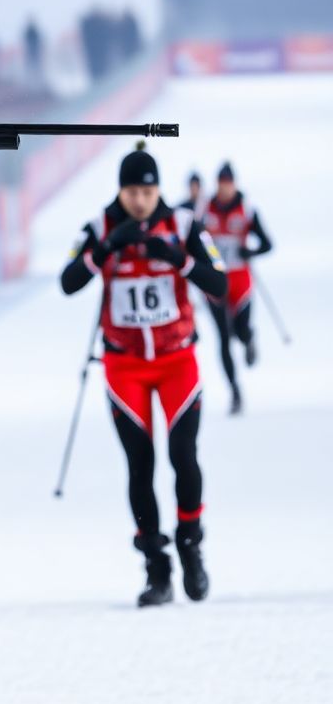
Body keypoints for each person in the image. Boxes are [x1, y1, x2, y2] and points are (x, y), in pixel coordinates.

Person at [60, 145, 227, 607]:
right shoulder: (100, 227)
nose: (140, 201)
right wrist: (103, 252)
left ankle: (191, 542)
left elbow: (220, 283)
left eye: (148, 191)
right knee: (141, 465)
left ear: (158, 189)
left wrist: (176, 258)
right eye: (133, 191)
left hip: (177, 361)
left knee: (183, 454)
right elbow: (68, 281)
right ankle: (157, 567)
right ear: (121, 190)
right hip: (125, 365)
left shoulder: (184, 226)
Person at [200, 162, 274, 414]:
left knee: (240, 331)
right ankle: (234, 390)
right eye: (220, 184)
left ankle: (249, 337)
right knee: (223, 337)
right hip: (214, 283)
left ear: (234, 184)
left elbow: (267, 244)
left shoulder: (247, 210)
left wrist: (249, 250)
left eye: (228, 184)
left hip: (240, 281)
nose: (224, 189)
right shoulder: (204, 210)